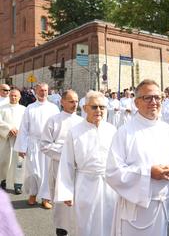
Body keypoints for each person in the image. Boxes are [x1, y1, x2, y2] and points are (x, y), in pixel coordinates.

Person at [106, 79, 169, 236]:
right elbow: (113, 172)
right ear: (137, 102)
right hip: (136, 212)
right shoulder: (125, 132)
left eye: (157, 97)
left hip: (162, 208)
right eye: (148, 98)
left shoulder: (168, 131)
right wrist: (148, 173)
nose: (154, 102)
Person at [55, 90, 117, 236]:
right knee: (85, 225)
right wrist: (66, 193)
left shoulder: (112, 130)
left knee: (109, 224)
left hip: (109, 187)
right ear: (85, 108)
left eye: (102, 107)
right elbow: (67, 164)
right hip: (84, 186)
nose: (99, 110)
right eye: (94, 107)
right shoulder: (75, 132)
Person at [41, 90, 83, 236]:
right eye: (71, 101)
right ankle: (61, 231)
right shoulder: (53, 120)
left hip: (78, 169)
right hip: (59, 167)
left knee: (77, 206)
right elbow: (45, 145)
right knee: (61, 206)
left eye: (76, 101)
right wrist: (66, 153)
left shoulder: (82, 121)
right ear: (62, 102)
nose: (75, 104)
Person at [14, 83, 60, 208]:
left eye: (45, 90)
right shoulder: (30, 108)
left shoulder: (53, 108)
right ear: (36, 91)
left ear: (48, 91)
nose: (43, 92)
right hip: (33, 143)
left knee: (47, 172)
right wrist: (22, 147)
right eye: (40, 90)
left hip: (49, 144)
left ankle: (46, 198)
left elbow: (58, 127)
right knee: (33, 171)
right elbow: (24, 128)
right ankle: (33, 194)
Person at [0, 89, 26, 194]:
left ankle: (18, 184)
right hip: (5, 139)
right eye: (12, 96)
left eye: (16, 96)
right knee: (4, 161)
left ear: (19, 97)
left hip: (19, 139)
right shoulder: (2, 108)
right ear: (9, 96)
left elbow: (27, 123)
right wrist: (9, 128)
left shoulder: (24, 109)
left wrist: (20, 131)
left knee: (19, 163)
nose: (13, 98)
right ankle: (3, 181)